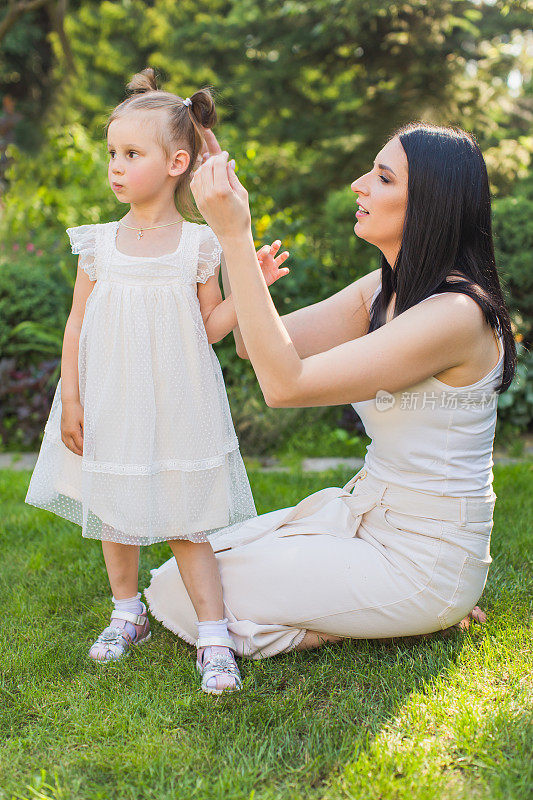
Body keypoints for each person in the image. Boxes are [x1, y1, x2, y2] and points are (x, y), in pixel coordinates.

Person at [145, 123, 517, 660]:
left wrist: (232, 233)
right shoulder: (383, 291)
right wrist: (237, 243)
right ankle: (375, 615)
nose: (358, 185)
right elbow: (256, 346)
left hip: (422, 559)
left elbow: (284, 385)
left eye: (383, 178)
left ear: (430, 206)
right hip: (361, 518)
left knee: (188, 596)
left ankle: (404, 615)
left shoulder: (456, 315)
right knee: (190, 568)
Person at [24, 68, 290, 693]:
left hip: (177, 401)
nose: (115, 166)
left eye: (131, 154)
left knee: (185, 519)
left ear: (176, 162)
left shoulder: (198, 246)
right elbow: (76, 323)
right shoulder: (99, 245)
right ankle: (127, 612)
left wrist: (253, 281)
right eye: (112, 153)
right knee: (113, 512)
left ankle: (215, 633)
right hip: (112, 396)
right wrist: (70, 396)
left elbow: (214, 327)